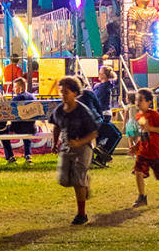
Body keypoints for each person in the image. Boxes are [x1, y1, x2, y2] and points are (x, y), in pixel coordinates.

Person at [50, 76, 99, 225]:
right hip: (67, 145)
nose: (63, 95)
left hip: (83, 146)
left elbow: (93, 133)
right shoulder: (59, 110)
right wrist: (54, 143)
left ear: (75, 93)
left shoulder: (83, 111)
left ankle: (81, 215)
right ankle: (85, 181)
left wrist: (79, 142)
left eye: (66, 92)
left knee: (78, 181)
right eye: (61, 92)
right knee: (64, 180)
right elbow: (56, 126)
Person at [9, 77, 37, 165]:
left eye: (15, 87)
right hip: (32, 128)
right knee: (27, 128)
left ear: (21, 88)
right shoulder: (33, 97)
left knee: (3, 131)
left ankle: (10, 157)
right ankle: (28, 155)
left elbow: (10, 113)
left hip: (18, 128)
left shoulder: (17, 99)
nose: (13, 89)